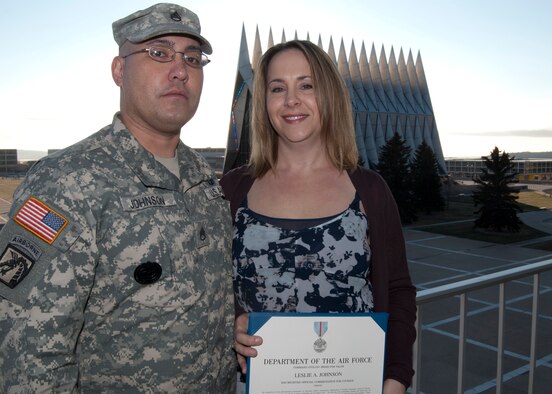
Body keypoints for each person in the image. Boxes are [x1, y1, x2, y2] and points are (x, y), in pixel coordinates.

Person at [0, 3, 235, 392]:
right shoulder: (67, 182)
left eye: (193, 58)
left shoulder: (204, 179)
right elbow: (27, 355)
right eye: (159, 53)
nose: (180, 70)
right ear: (119, 70)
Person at [220, 40, 417, 393]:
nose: (291, 100)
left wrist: (397, 378)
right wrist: (232, 322)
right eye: (277, 88)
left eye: (306, 85)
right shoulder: (232, 191)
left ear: (329, 95)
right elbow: (212, 291)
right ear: (264, 103)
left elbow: (399, 290)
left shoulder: (369, 190)